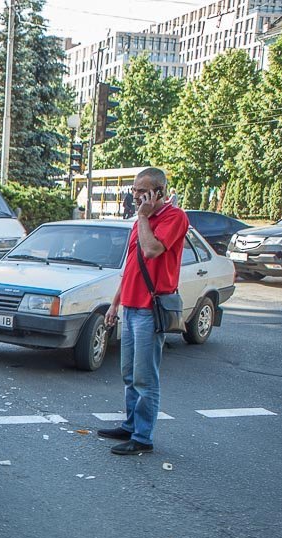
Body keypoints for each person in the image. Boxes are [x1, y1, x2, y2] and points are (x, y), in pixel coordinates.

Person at [101, 166, 189, 456]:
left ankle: (142, 437)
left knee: (144, 377)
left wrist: (142, 217)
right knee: (128, 373)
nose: (136, 196)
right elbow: (131, 266)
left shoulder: (175, 217)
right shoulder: (141, 221)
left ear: (159, 192)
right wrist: (115, 303)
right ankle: (130, 425)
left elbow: (151, 250)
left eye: (142, 191)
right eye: (135, 190)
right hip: (130, 306)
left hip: (151, 309)